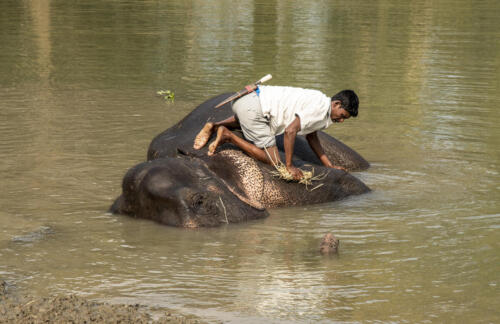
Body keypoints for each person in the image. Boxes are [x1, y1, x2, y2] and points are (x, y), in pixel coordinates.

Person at [193, 85, 359, 180]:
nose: (341, 120)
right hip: (253, 109)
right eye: (342, 115)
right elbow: (290, 131)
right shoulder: (320, 109)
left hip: (245, 100)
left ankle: (214, 126)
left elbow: (312, 136)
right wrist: (289, 166)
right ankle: (228, 136)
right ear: (336, 104)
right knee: (273, 161)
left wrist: (328, 165)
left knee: (252, 121)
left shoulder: (319, 100)